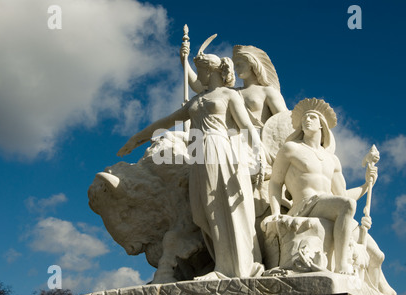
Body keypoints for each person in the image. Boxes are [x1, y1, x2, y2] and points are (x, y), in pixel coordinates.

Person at [118, 39, 265, 280]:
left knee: (224, 207)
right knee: (204, 209)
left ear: (210, 71)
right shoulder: (196, 101)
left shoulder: (229, 95)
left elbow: (247, 127)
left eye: (200, 71)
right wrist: (137, 139)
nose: (198, 77)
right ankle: (221, 263)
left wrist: (260, 155)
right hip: (199, 153)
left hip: (221, 149)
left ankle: (232, 269)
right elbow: (165, 122)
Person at [269, 98, 376, 275]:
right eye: (304, 117)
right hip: (303, 206)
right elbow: (275, 182)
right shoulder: (291, 149)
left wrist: (367, 184)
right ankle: (341, 265)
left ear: (322, 125)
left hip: (326, 205)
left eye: (312, 117)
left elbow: (342, 195)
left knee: (376, 253)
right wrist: (275, 213)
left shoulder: (332, 160)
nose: (307, 119)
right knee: (346, 206)